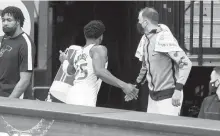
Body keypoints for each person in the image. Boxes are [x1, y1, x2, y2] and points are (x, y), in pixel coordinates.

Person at [126, 7, 192, 116]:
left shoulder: (164, 38)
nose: (138, 23)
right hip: (153, 97)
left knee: (168, 131)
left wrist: (178, 90)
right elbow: (145, 66)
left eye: (139, 20)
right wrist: (136, 86)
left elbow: (186, 63)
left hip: (169, 96)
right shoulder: (145, 39)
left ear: (145, 22)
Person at [59, 20, 138, 107]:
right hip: (85, 97)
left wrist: (64, 60)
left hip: (72, 95)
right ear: (101, 36)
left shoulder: (78, 53)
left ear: (85, 35)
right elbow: (99, 71)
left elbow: (69, 71)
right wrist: (124, 86)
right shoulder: (98, 49)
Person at [0, 6, 36, 98]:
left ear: (18, 21)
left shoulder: (25, 43)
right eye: (3, 20)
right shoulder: (5, 38)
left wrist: (9, 102)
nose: (5, 23)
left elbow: (25, 80)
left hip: (15, 99)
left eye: (9, 20)